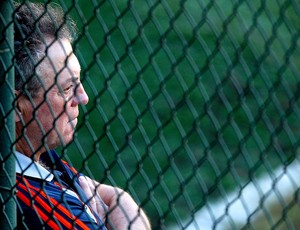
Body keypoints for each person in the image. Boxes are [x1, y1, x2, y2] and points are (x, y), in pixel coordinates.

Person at [14, 2, 151, 229]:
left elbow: (107, 196)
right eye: (67, 89)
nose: (83, 97)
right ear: (17, 106)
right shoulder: (40, 206)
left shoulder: (38, 156)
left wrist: (119, 197)